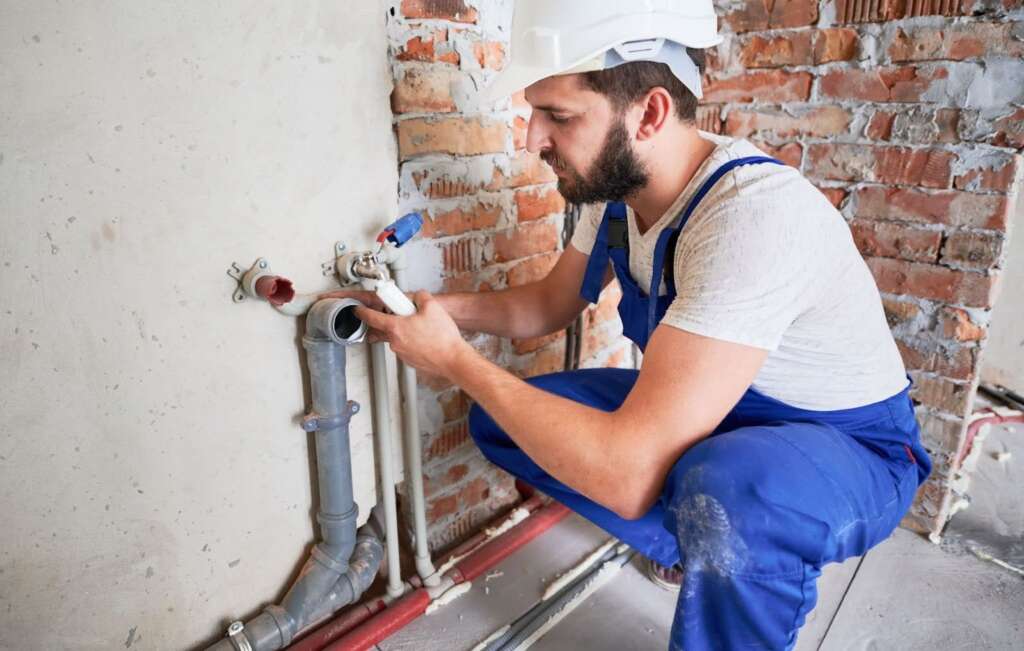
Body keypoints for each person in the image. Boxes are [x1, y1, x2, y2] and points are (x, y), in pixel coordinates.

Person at [325, 1, 931, 648]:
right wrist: (441, 313)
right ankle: (699, 539)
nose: (532, 139)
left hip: (846, 446)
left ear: (649, 113)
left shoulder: (751, 217)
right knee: (502, 418)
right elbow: (547, 306)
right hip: (721, 414)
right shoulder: (616, 189)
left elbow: (628, 474)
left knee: (728, 492)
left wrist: (456, 361)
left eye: (557, 115)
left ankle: (724, 549)